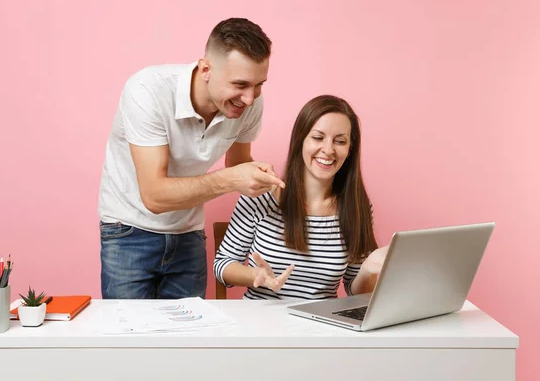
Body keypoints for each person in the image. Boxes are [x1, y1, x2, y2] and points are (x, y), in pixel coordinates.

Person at [98, 18, 285, 299]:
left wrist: (261, 179)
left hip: (189, 234)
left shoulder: (249, 104)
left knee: (190, 339)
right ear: (206, 69)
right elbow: (154, 196)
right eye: (240, 84)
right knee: (132, 339)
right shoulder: (148, 91)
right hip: (128, 232)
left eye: (259, 84)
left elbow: (238, 164)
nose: (249, 98)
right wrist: (232, 179)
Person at [213, 95, 388, 299]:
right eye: (318, 137)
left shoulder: (357, 207)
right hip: (261, 324)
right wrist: (256, 274)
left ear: (350, 149)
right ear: (300, 140)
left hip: (321, 326)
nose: (328, 150)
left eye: (340, 141)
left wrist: (369, 268)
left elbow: (355, 291)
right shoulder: (260, 195)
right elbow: (223, 263)